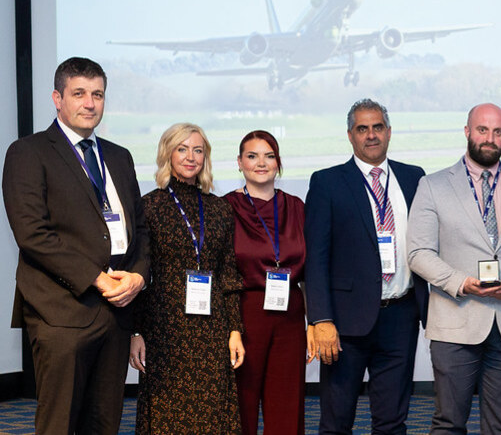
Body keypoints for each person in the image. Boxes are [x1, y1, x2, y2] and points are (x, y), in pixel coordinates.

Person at [2, 57, 149, 435]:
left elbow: (140, 230)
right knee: (60, 424)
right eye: (79, 93)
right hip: (61, 312)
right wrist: (98, 279)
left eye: (97, 94)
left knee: (104, 422)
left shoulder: (119, 156)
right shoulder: (28, 152)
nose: (90, 103)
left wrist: (137, 277)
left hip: (116, 313)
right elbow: (33, 234)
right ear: (58, 98)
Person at [407, 103, 501, 435]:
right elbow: (418, 253)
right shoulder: (433, 185)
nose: (490, 138)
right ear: (467, 131)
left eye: (498, 131)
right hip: (455, 323)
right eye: (482, 130)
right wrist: (461, 282)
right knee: (449, 423)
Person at [305, 99, 428, 435]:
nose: (371, 135)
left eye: (377, 127)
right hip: (344, 323)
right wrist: (320, 319)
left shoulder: (414, 177)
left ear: (388, 132)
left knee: (392, 421)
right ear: (350, 135)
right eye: (362, 129)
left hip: (401, 317)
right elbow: (316, 258)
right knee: (337, 421)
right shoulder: (327, 182)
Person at [130, 123, 245, 435]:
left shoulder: (220, 209)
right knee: (166, 416)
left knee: (213, 414)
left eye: (198, 150)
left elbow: (228, 274)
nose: (191, 157)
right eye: (182, 149)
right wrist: (135, 332)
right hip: (164, 329)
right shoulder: (148, 206)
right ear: (168, 153)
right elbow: (139, 274)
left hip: (212, 329)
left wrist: (235, 330)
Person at [225, 130, 311, 435]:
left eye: (269, 156)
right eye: (252, 156)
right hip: (244, 314)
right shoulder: (225, 208)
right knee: (241, 403)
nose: (261, 163)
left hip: (290, 314)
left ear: (278, 162)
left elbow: (311, 269)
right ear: (239, 162)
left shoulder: (297, 207)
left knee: (287, 404)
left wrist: (314, 321)